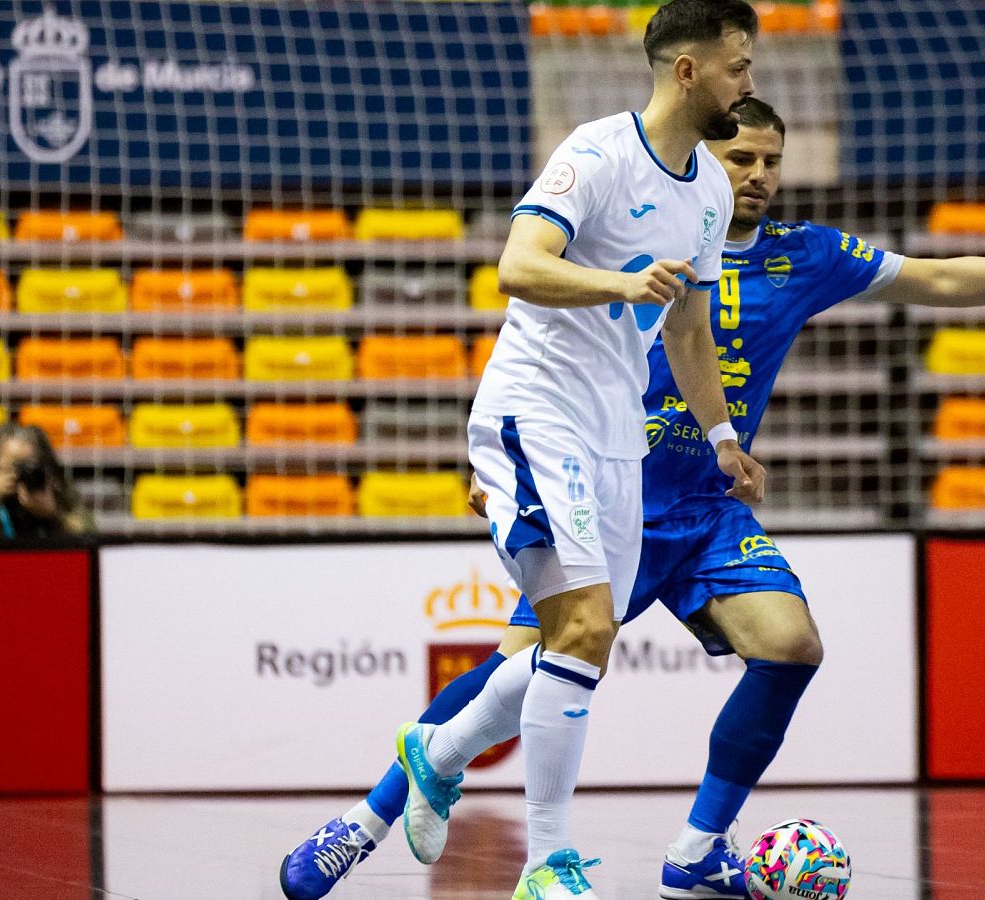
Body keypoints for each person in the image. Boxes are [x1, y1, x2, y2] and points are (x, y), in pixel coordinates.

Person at [280, 95, 985, 900]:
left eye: (771, 162)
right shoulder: (639, 231)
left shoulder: (803, 254)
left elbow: (935, 277)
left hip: (707, 507)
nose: (757, 177)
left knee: (791, 645)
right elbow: (538, 335)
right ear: (705, 160)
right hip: (606, 483)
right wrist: (510, 453)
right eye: (741, 161)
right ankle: (362, 824)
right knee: (520, 668)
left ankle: (696, 849)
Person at [281, 3, 766, 899]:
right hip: (534, 412)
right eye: (737, 67)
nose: (751, 83)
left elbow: (690, 326)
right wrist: (622, 282)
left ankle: (436, 753)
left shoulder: (711, 191)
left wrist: (724, 434)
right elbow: (518, 264)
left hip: (616, 434)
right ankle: (547, 866)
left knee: (573, 642)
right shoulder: (596, 152)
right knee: (581, 626)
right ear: (688, 70)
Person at [0, 423, 91, 539]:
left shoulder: (56, 488)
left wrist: (54, 514)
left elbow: (89, 534)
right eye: (12, 465)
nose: (19, 474)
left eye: (27, 466)